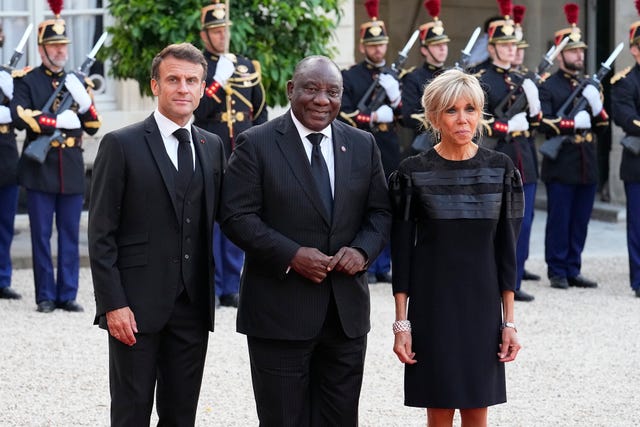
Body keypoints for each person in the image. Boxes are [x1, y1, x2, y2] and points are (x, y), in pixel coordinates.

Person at [220, 55, 391, 426]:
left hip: (344, 315)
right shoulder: (256, 143)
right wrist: (291, 254)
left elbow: (381, 213)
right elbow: (236, 216)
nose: (321, 99)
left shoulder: (362, 144)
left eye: (332, 91)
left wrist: (362, 251)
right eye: (311, 88)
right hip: (279, 313)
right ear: (290, 90)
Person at [88, 43, 225, 425]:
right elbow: (100, 234)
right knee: (131, 414)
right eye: (173, 79)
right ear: (155, 85)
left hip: (193, 308)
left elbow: (226, 217)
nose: (183, 88)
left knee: (181, 416)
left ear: (202, 88)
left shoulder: (211, 147)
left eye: (191, 81)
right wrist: (112, 304)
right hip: (134, 308)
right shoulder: (121, 144)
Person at [390, 68, 522, 426]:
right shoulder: (411, 172)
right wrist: (402, 324)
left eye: (470, 109)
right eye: (451, 110)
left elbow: (507, 253)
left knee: (478, 411)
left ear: (480, 114)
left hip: (481, 308)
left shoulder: (501, 169)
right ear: (434, 116)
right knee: (439, 410)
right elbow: (402, 253)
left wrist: (509, 322)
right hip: (433, 307)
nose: (462, 119)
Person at [10, 7, 101, 313]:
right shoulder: (28, 80)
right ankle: (45, 296)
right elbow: (20, 115)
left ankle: (68, 294)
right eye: (54, 46)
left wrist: (85, 101)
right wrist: (56, 123)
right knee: (40, 236)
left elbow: (94, 126)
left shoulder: (78, 82)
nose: (61, 51)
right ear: (42, 50)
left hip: (71, 168)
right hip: (40, 167)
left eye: (64, 46)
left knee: (70, 236)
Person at [194, 0, 267, 308]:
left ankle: (231, 285)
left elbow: (259, 113)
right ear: (204, 35)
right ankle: (209, 283)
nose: (221, 35)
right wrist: (216, 81)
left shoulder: (247, 66)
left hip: (241, 156)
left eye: (224, 29)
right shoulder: (199, 69)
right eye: (215, 30)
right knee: (208, 221)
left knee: (237, 218)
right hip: (210, 153)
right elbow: (198, 112)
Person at [537, 3, 608, 290]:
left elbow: (602, 125)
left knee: (580, 220)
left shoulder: (589, 86)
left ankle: (573, 267)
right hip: (562, 161)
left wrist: (596, 105)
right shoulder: (548, 86)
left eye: (581, 51)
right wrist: (572, 123)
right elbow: (542, 123)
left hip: (586, 162)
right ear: (560, 54)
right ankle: (557, 269)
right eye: (573, 51)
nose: (580, 55)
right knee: (561, 218)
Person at [476, 10, 539, 302]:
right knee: (493, 223)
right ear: (492, 48)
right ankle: (490, 280)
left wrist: (535, 107)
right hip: (495, 156)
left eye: (514, 44)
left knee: (522, 223)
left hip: (522, 157)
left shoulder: (523, 79)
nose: (511, 48)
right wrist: (504, 125)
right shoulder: (481, 78)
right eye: (505, 44)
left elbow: (536, 122)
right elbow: (476, 119)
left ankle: (513, 281)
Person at [339, 0, 399, 284]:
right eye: (372, 45)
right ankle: (365, 259)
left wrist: (396, 99)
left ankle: (383, 264)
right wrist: (374, 115)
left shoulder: (395, 77)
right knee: (361, 205)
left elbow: (409, 115)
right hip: (361, 148)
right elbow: (346, 114)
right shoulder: (350, 77)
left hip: (388, 146)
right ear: (363, 46)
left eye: (382, 44)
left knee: (386, 205)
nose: (378, 49)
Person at [610, 15, 640, 298]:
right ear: (635, 49)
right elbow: (626, 118)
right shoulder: (626, 82)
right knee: (639, 225)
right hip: (637, 164)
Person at [401, 0, 449, 153]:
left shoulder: (452, 75)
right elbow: (409, 117)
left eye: (444, 44)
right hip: (425, 146)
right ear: (424, 50)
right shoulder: (414, 77)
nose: (442, 48)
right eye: (436, 45)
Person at [0, 40, 21, 300]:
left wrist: (11, 97)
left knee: (5, 223)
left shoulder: (10, 76)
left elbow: (23, 113)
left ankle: (2, 278)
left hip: (5, 155)